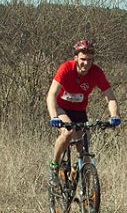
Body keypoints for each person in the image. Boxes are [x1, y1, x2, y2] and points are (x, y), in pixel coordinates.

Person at [45, 39, 121, 186]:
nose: (86, 64)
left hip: (79, 111)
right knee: (67, 133)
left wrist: (114, 115)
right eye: (83, 59)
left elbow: (110, 98)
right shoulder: (66, 68)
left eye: (90, 60)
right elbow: (51, 95)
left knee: (84, 152)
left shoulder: (96, 72)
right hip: (61, 109)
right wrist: (53, 116)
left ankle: (86, 194)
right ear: (75, 58)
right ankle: (54, 166)